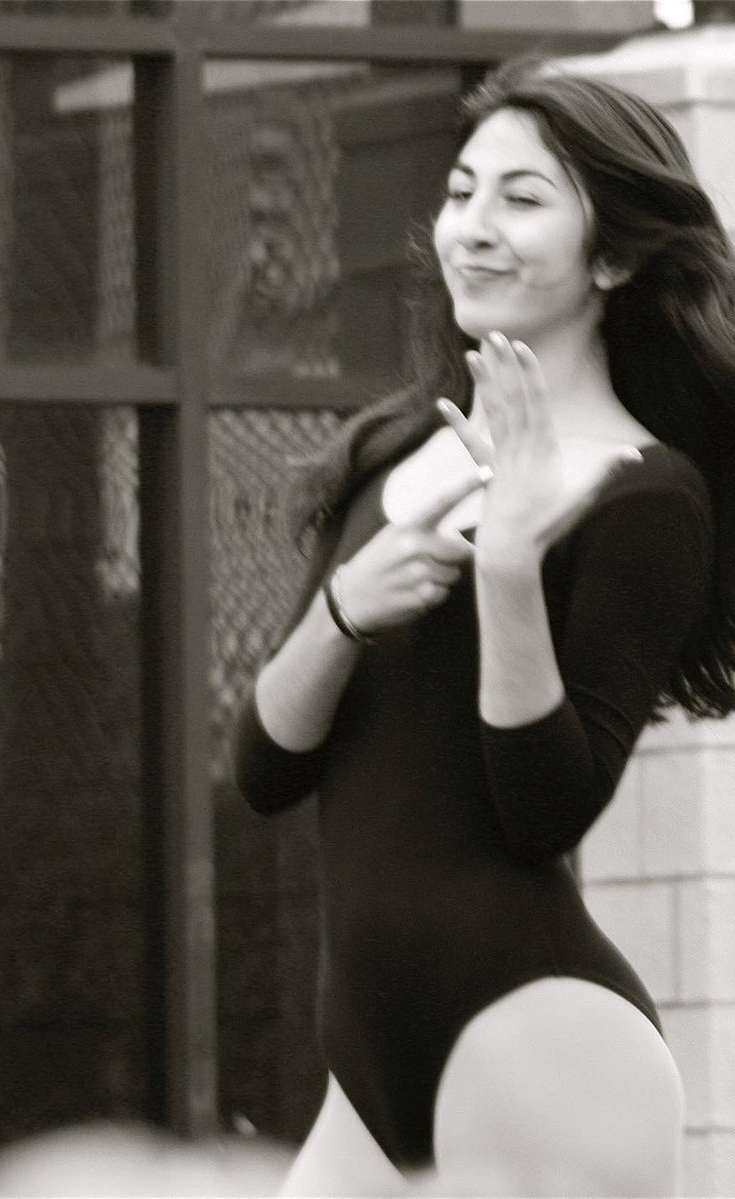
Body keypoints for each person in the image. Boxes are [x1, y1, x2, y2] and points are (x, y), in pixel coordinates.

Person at [234, 58, 735, 1197]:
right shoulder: (396, 450)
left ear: (612, 257)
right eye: (462, 191)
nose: (472, 226)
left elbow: (543, 807)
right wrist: (345, 608)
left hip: (543, 1041)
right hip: (368, 1066)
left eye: (522, 197)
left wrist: (509, 563)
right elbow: (264, 767)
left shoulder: (646, 493)